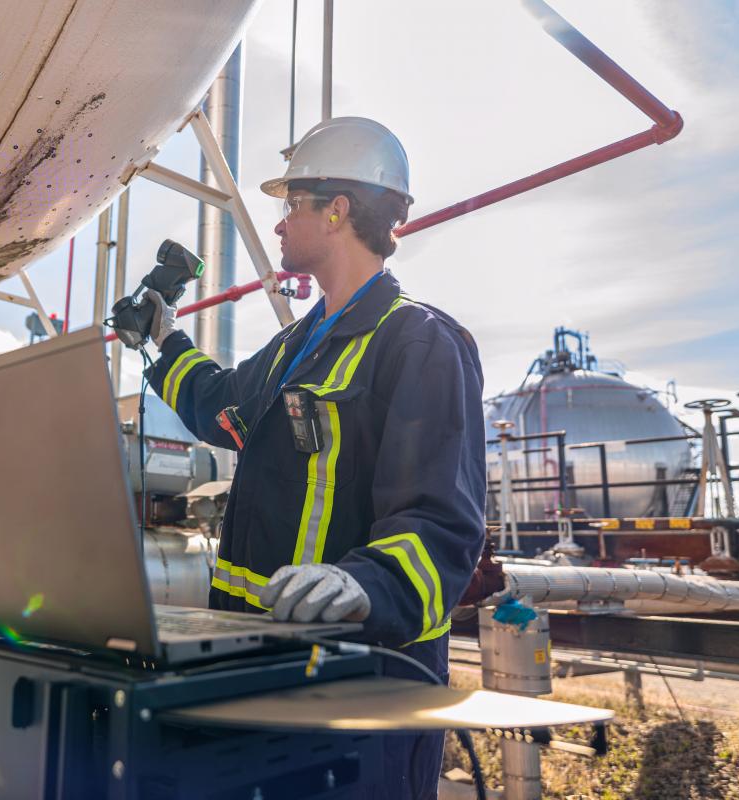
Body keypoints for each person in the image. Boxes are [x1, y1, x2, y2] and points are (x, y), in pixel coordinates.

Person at [143, 116, 486, 799]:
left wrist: (368, 584)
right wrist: (164, 339)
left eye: (291, 204)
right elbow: (221, 407)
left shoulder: (419, 341)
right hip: (258, 671)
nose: (278, 224)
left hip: (359, 690)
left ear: (338, 210)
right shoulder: (299, 344)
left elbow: (440, 524)